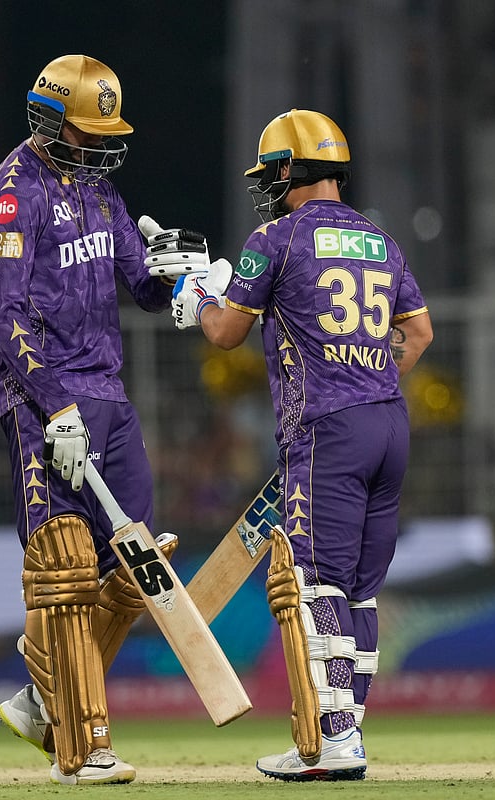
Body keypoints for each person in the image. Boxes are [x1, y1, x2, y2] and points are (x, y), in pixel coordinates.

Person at [167, 109, 434, 781]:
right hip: (389, 423)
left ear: (289, 169)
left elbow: (227, 332)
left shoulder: (275, 237)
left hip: (329, 430)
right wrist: (368, 377)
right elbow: (422, 334)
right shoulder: (381, 239)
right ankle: (346, 732)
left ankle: (336, 738)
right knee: (362, 594)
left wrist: (193, 296)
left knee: (318, 583)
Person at [0, 53, 209, 786]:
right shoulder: (14, 194)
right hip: (45, 401)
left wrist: (178, 274)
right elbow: (4, 312)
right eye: (89, 129)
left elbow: (139, 285)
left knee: (134, 568)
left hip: (108, 393)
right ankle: (83, 751)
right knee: (63, 569)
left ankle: (43, 693)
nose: (102, 142)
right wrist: (55, 407)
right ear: (51, 123)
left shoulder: (99, 190)